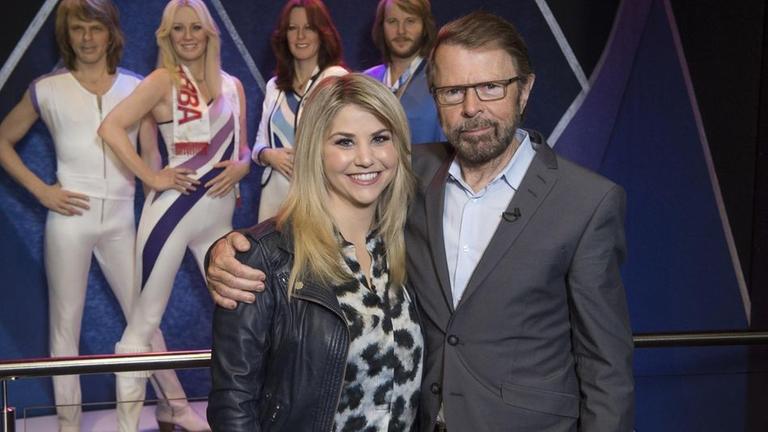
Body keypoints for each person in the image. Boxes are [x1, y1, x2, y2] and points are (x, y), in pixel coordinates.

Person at [206, 11, 635, 432]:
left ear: (524, 90)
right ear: (435, 97)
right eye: (453, 91)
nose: (472, 108)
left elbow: (606, 368)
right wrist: (224, 251)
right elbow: (307, 227)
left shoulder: (586, 202)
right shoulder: (413, 177)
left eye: (490, 87)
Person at [0, 1, 202, 431]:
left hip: (122, 221)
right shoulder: (46, 89)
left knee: (144, 315)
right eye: (78, 29)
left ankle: (177, 406)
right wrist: (42, 191)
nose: (88, 38)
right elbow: (2, 140)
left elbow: (150, 154)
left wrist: (157, 195)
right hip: (70, 219)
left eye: (96, 28)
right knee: (64, 328)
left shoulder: (134, 86)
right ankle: (69, 425)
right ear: (67, 35)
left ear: (111, 33)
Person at [207, 73, 422, 431]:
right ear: (314, 150)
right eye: (345, 142)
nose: (366, 158)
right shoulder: (264, 257)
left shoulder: (406, 244)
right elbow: (232, 403)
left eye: (380, 139)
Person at [98, 0, 249, 430]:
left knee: (240, 317)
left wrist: (242, 164)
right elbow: (110, 127)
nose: (187, 36)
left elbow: (238, 148)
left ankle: (235, 418)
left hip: (219, 220)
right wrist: (151, 175)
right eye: (177, 29)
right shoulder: (163, 80)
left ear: (208, 33)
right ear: (167, 35)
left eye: (194, 27)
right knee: (142, 325)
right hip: (171, 214)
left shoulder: (233, 85)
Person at [251, 0, 347, 222]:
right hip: (274, 198)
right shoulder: (274, 86)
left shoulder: (335, 78)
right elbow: (258, 143)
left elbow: (344, 141)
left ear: (322, 33)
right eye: (293, 28)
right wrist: (268, 154)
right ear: (284, 35)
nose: (300, 36)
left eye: (309, 28)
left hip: (318, 195)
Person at [364, 0, 444, 145]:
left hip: (425, 167)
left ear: (425, 27)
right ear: (381, 26)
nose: (401, 31)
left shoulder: (440, 78)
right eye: (392, 21)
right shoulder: (366, 81)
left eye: (410, 21)